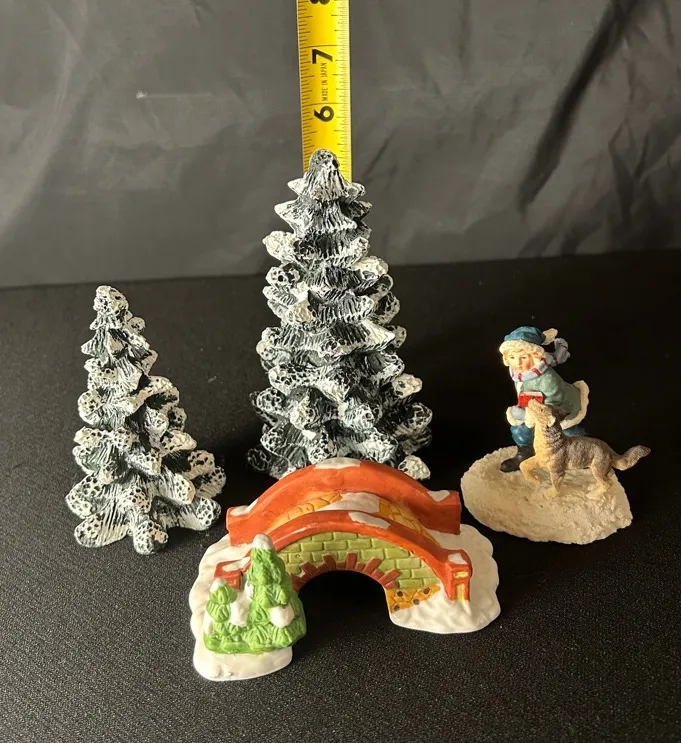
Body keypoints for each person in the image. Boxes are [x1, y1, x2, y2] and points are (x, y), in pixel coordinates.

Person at [499, 326, 589, 472]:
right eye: (512, 357)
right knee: (519, 430)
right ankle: (525, 453)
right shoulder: (520, 374)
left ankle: (581, 456)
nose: (517, 363)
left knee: (569, 434)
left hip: (560, 411)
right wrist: (525, 414)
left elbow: (554, 406)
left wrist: (527, 415)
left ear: (535, 356)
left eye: (523, 357)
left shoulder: (547, 378)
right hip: (534, 411)